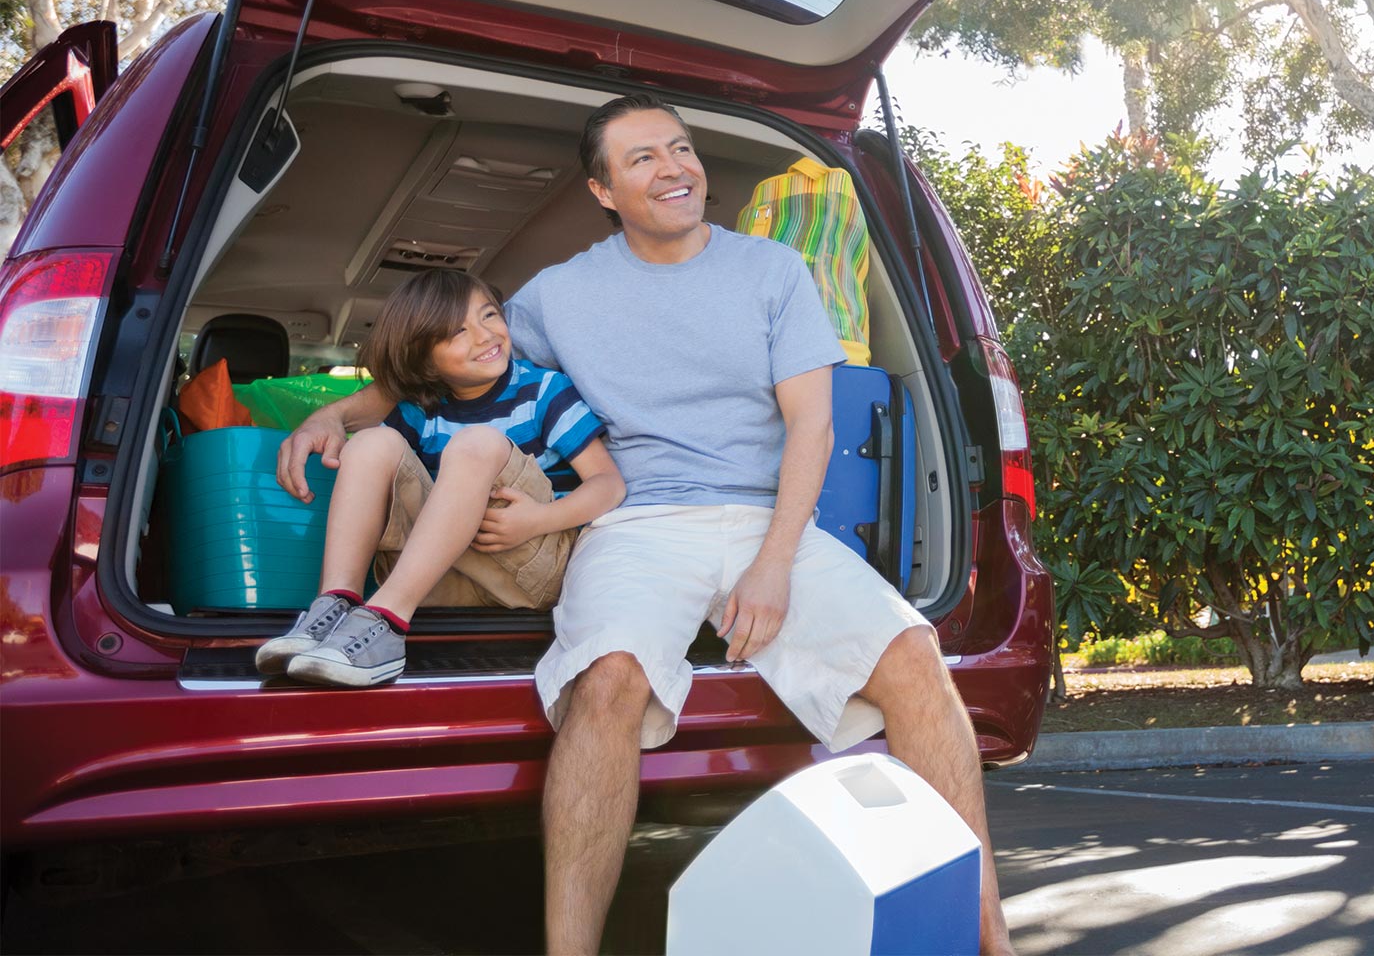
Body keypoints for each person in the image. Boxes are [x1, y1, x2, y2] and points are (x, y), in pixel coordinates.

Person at [277, 95, 1015, 955]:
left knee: (914, 655)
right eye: (642, 159)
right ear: (602, 189)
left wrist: (774, 564)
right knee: (608, 683)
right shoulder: (561, 294)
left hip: (764, 517)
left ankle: (989, 938)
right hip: (634, 519)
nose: (674, 169)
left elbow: (812, 426)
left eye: (681, 149)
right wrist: (334, 415)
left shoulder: (774, 271)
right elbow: (446, 361)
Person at [258, 268, 623, 688]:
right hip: (447, 579)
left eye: (489, 315)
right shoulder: (421, 409)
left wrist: (538, 519)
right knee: (371, 444)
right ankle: (337, 604)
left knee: (475, 444)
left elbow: (608, 484)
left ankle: (387, 621)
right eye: (457, 332)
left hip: (533, 565)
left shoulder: (543, 390)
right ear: (422, 358)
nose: (485, 335)